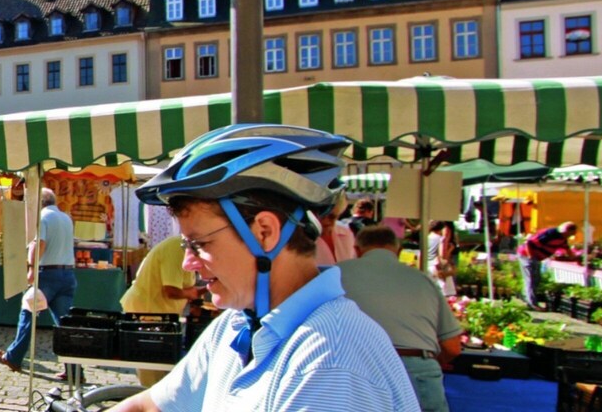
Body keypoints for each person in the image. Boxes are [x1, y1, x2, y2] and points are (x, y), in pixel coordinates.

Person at [114, 124, 418, 411]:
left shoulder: (331, 360)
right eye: (186, 246)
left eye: (200, 244)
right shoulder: (237, 324)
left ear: (264, 232)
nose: (188, 262)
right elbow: (149, 406)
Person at [340, 226, 464, 412]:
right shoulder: (424, 280)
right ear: (398, 251)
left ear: (357, 250)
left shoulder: (334, 274)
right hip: (417, 367)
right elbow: (452, 347)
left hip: (354, 368)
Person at [0, 188, 80, 376]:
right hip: (67, 275)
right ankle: (74, 370)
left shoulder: (43, 218)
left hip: (48, 275)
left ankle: (14, 356)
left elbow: (39, 244)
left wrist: (32, 268)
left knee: (27, 312)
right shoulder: (66, 218)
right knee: (65, 324)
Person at [118, 236, 199, 387]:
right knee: (152, 371)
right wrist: (192, 293)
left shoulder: (187, 250)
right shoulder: (177, 249)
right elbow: (171, 290)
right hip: (147, 312)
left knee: (161, 369)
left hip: (161, 314)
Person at [521, 222, 577, 305]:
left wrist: (575, 258)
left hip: (537, 258)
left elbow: (567, 249)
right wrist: (531, 257)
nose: (570, 236)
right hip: (527, 255)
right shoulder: (550, 234)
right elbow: (529, 243)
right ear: (566, 231)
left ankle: (528, 300)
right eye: (571, 234)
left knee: (536, 279)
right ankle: (532, 304)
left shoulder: (562, 238)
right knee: (531, 279)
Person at [313, 196, 358, 266]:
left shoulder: (346, 232)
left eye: (333, 217)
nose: (326, 221)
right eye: (322, 215)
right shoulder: (301, 236)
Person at [428, 221, 459, 298]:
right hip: (437, 268)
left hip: (427, 266)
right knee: (444, 295)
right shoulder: (440, 239)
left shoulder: (426, 238)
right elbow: (442, 256)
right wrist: (450, 249)